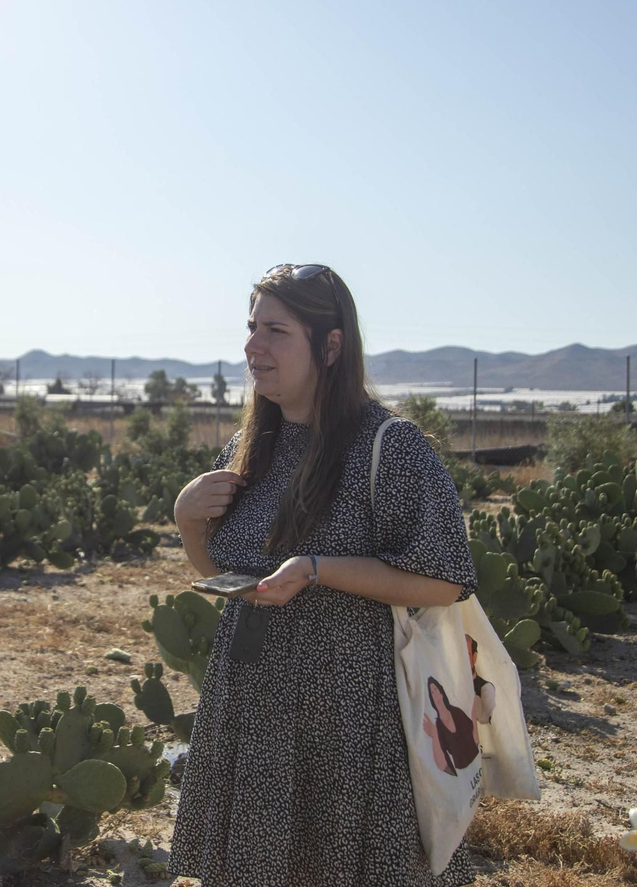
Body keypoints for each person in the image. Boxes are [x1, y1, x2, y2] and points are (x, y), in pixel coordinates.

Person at [167, 263, 478, 887]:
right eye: (252, 327)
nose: (254, 346)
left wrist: (318, 570)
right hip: (251, 702)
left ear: (330, 345)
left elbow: (444, 579)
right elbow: (226, 575)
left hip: (349, 715)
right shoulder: (250, 445)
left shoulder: (390, 446)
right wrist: (187, 523)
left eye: (276, 330)